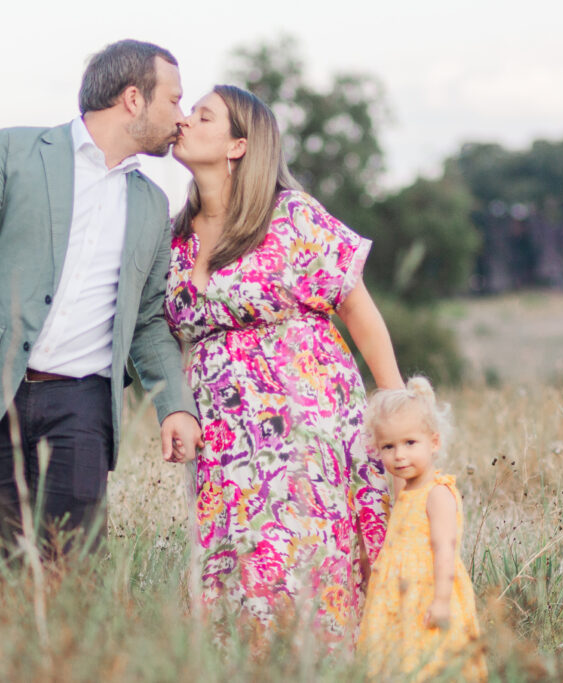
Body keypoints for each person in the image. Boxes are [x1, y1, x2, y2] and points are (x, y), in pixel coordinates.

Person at [0, 39, 201, 567]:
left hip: (83, 407)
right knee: (6, 569)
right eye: (175, 100)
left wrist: (174, 404)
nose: (181, 117)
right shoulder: (9, 153)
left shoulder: (152, 204)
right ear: (133, 98)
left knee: (75, 573)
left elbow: (149, 321)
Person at [164, 85, 403, 647]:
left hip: (304, 420)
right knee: (232, 564)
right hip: (221, 433)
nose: (183, 122)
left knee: (301, 558)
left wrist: (397, 404)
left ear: (238, 146)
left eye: (202, 116)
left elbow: (356, 307)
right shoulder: (173, 237)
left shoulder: (289, 216)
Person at [358, 377, 486, 681]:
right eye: (388, 446)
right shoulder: (407, 493)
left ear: (434, 442)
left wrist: (442, 600)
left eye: (410, 443)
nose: (399, 455)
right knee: (400, 662)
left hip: (429, 593)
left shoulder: (437, 493)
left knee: (431, 660)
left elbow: (445, 548)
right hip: (399, 596)